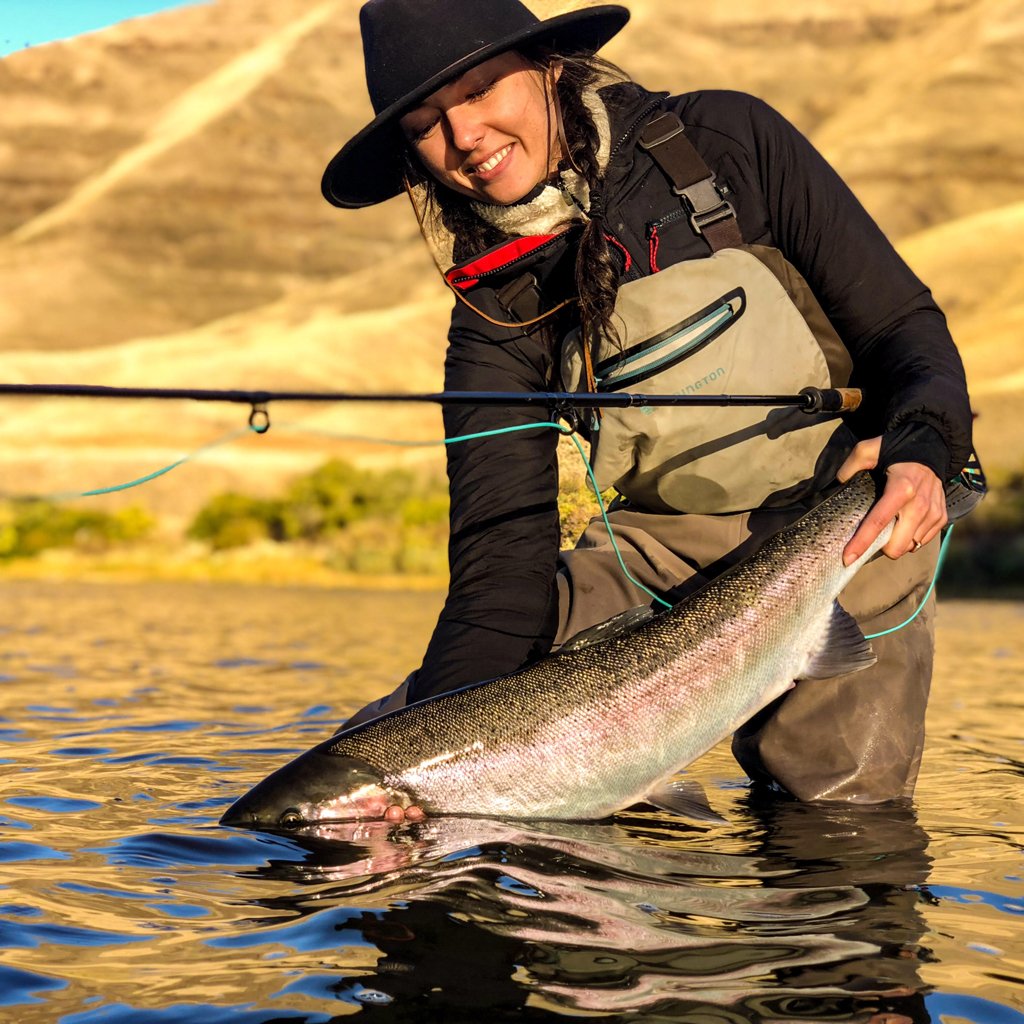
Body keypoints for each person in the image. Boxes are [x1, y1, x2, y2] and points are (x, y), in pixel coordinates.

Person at [321, 0, 974, 808]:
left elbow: (906, 333)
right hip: (648, 555)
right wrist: (431, 769)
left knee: (834, 836)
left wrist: (923, 449)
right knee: (356, 775)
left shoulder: (728, 141)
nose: (464, 139)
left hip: (843, 523)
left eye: (482, 91)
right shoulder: (492, 310)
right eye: (426, 124)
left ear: (549, 65)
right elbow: (499, 572)